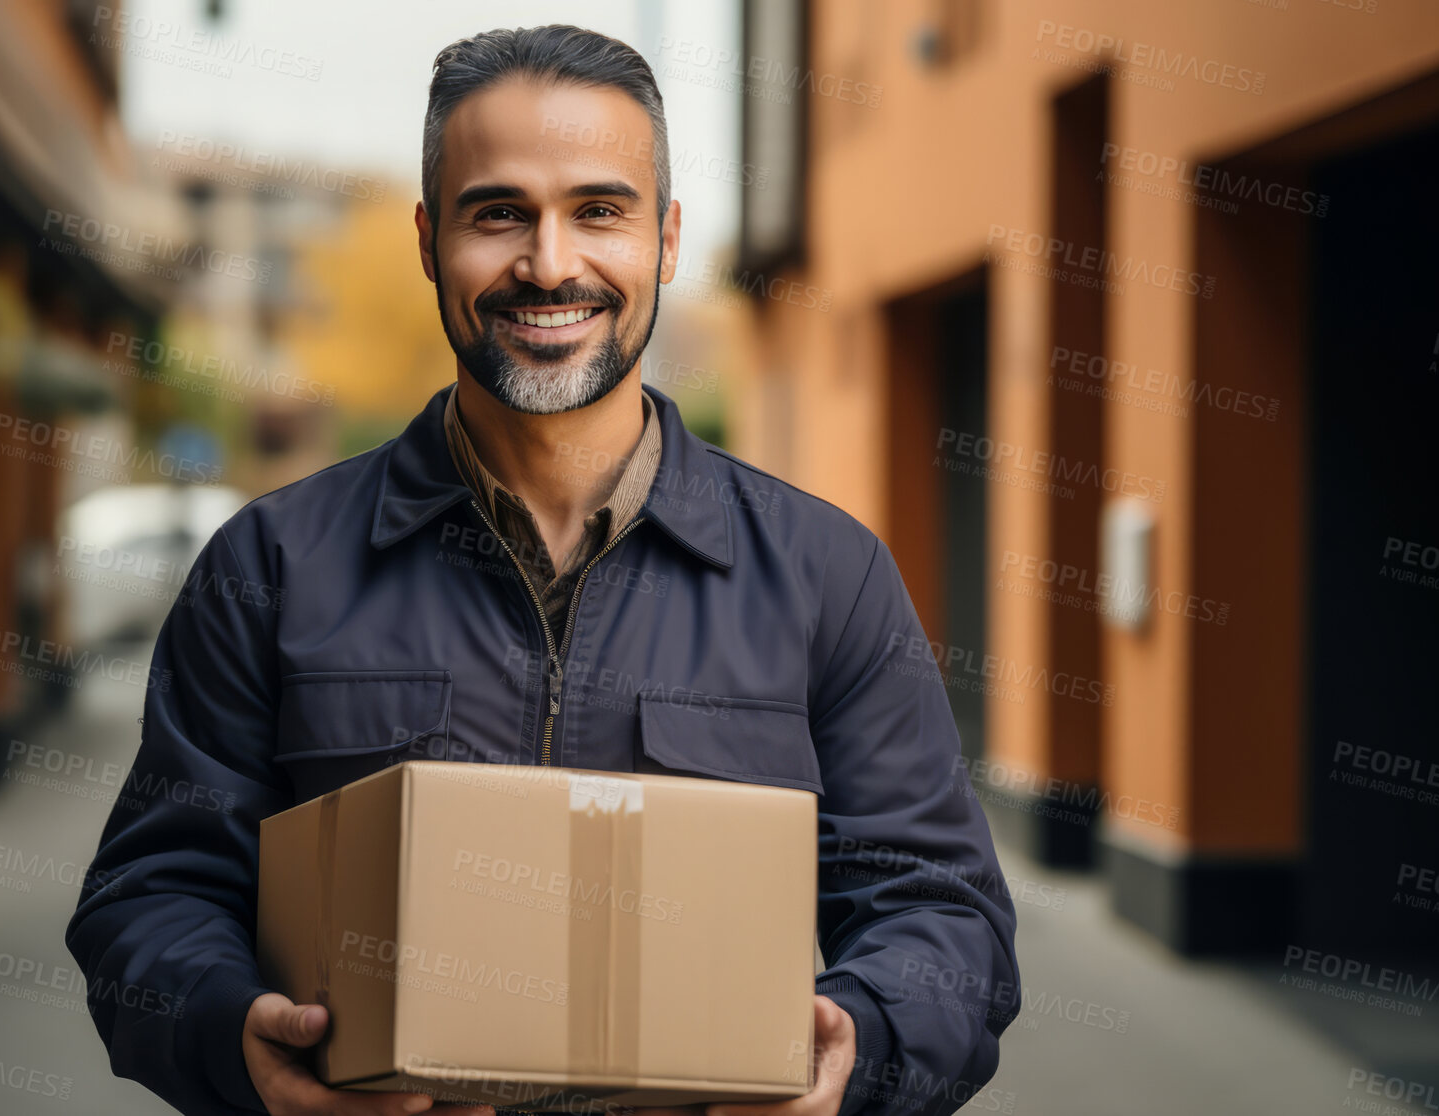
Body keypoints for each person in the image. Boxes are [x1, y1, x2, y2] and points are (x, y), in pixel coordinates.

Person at [66, 24, 1019, 1116]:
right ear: (430, 241)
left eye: (599, 210)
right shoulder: (271, 566)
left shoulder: (825, 576)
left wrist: (865, 1041)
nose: (551, 263)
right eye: (498, 213)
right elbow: (152, 894)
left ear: (666, 240)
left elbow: (943, 911)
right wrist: (237, 1039)